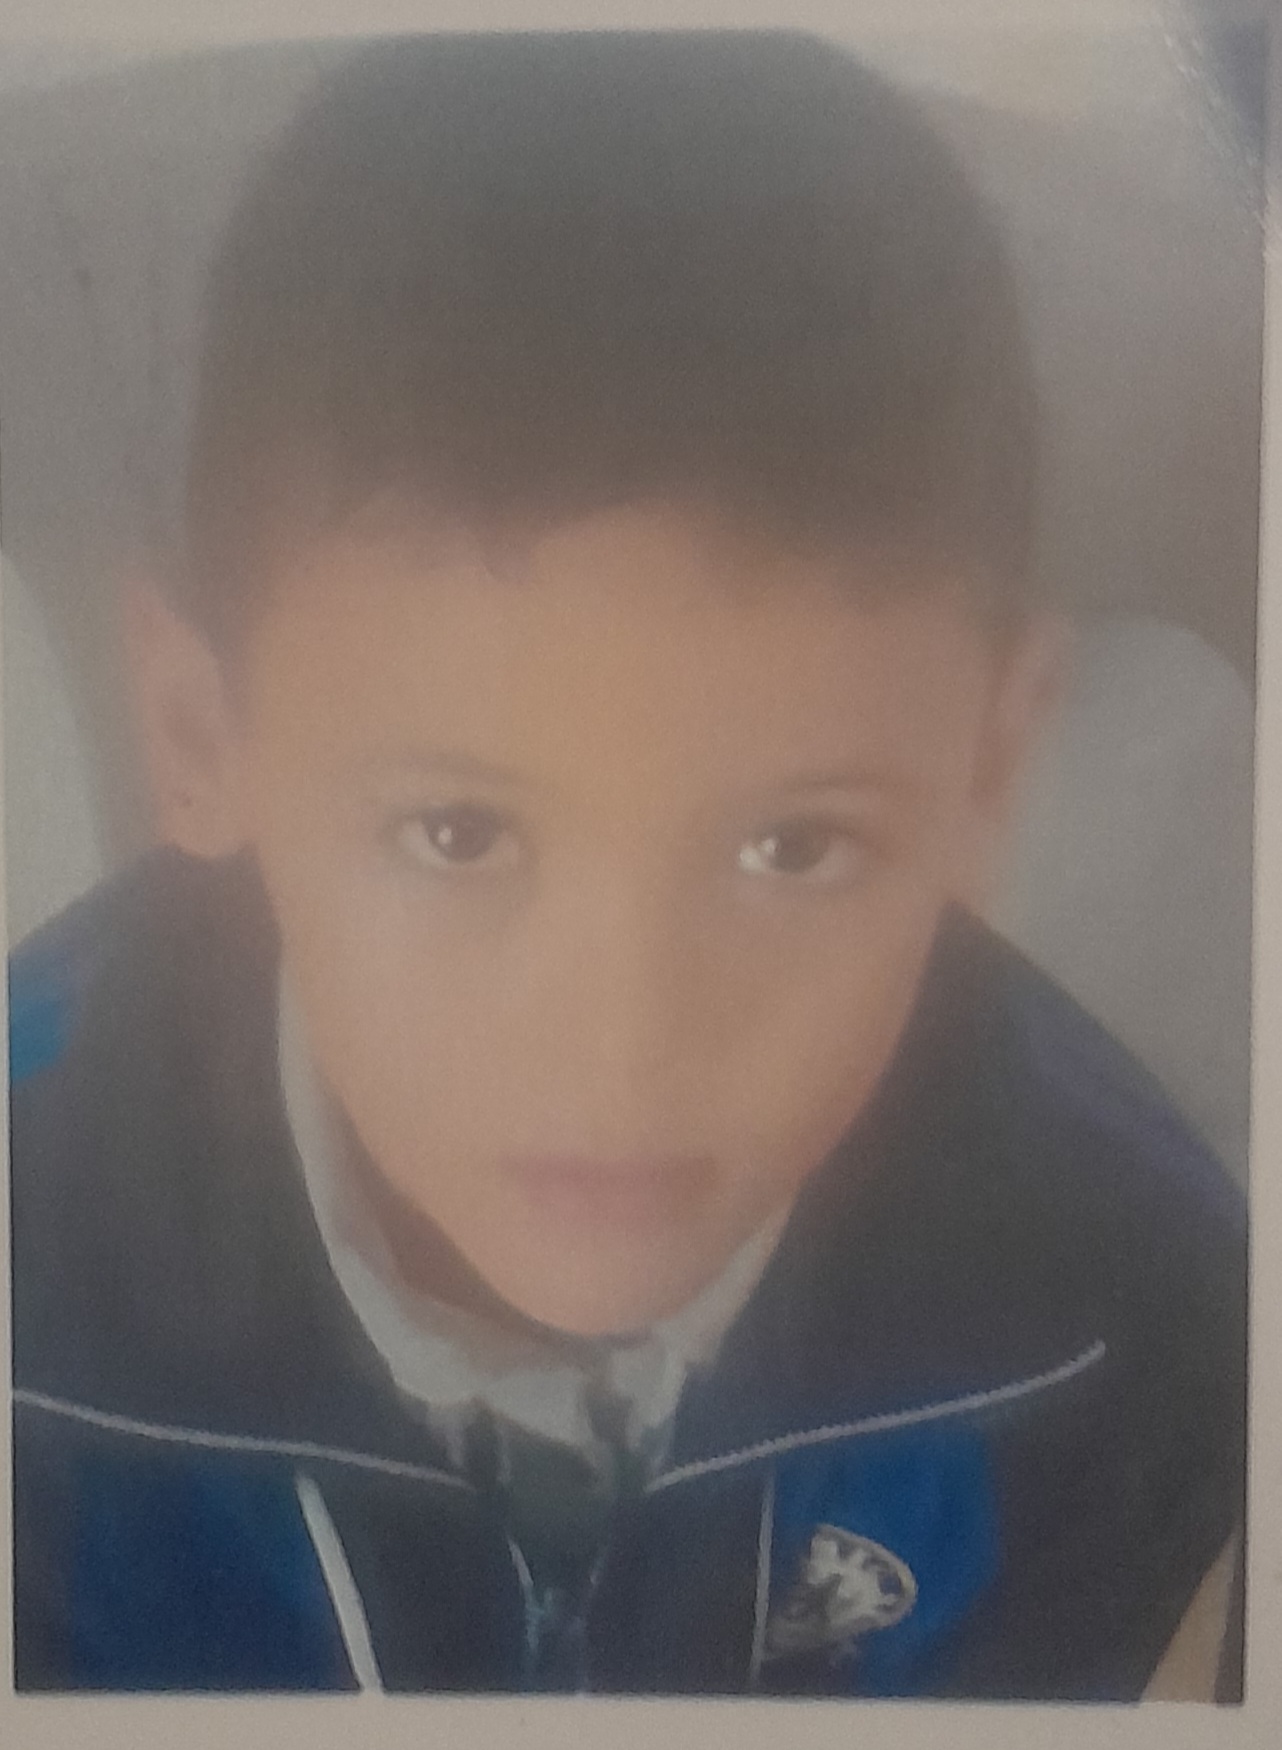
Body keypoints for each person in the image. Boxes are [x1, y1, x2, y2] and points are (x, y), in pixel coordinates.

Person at [8, 30, 1246, 1700]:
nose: (624, 1043)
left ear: (987, 770)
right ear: (198, 728)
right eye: (457, 832)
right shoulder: (33, 1274)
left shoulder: (1122, 1316)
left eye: (790, 844)